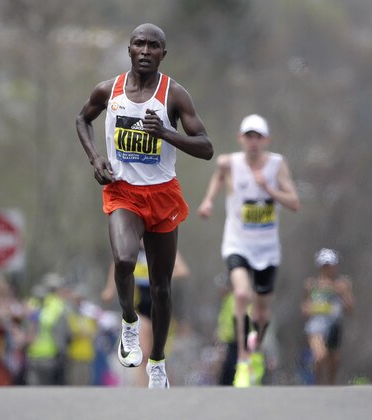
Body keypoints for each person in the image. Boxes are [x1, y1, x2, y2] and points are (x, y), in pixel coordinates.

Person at [76, 23, 213, 388]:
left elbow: (206, 146)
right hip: (123, 192)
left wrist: (166, 132)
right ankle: (129, 322)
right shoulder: (109, 91)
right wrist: (95, 159)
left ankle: (157, 362)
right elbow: (82, 119)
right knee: (123, 259)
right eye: (139, 43)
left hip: (162, 195)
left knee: (161, 288)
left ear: (163, 54)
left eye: (154, 45)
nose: (146, 50)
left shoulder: (174, 95)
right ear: (129, 48)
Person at [197, 113, 300, 387]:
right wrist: (208, 202)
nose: (253, 142)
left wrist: (269, 189)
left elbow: (294, 202)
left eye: (258, 137)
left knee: (262, 314)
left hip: (266, 248)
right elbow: (218, 178)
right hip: (238, 242)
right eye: (248, 136)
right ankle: (243, 360)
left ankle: (255, 345)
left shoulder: (277, 166)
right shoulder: (229, 163)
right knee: (242, 294)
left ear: (266, 140)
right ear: (241, 139)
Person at [101, 241, 190, 386]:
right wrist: (109, 289)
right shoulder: (131, 250)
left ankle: (165, 386)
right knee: (144, 353)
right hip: (141, 309)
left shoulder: (162, 246)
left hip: (160, 309)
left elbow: (183, 270)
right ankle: (142, 389)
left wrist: (160, 274)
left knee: (159, 354)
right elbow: (117, 265)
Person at [301, 248, 354, 385]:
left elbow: (350, 308)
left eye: (330, 265)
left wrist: (342, 294)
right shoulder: (312, 285)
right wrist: (311, 309)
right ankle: (318, 383)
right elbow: (305, 308)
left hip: (334, 325)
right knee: (320, 356)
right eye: (324, 265)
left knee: (333, 361)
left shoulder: (342, 284)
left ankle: (331, 388)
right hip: (316, 325)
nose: (327, 268)